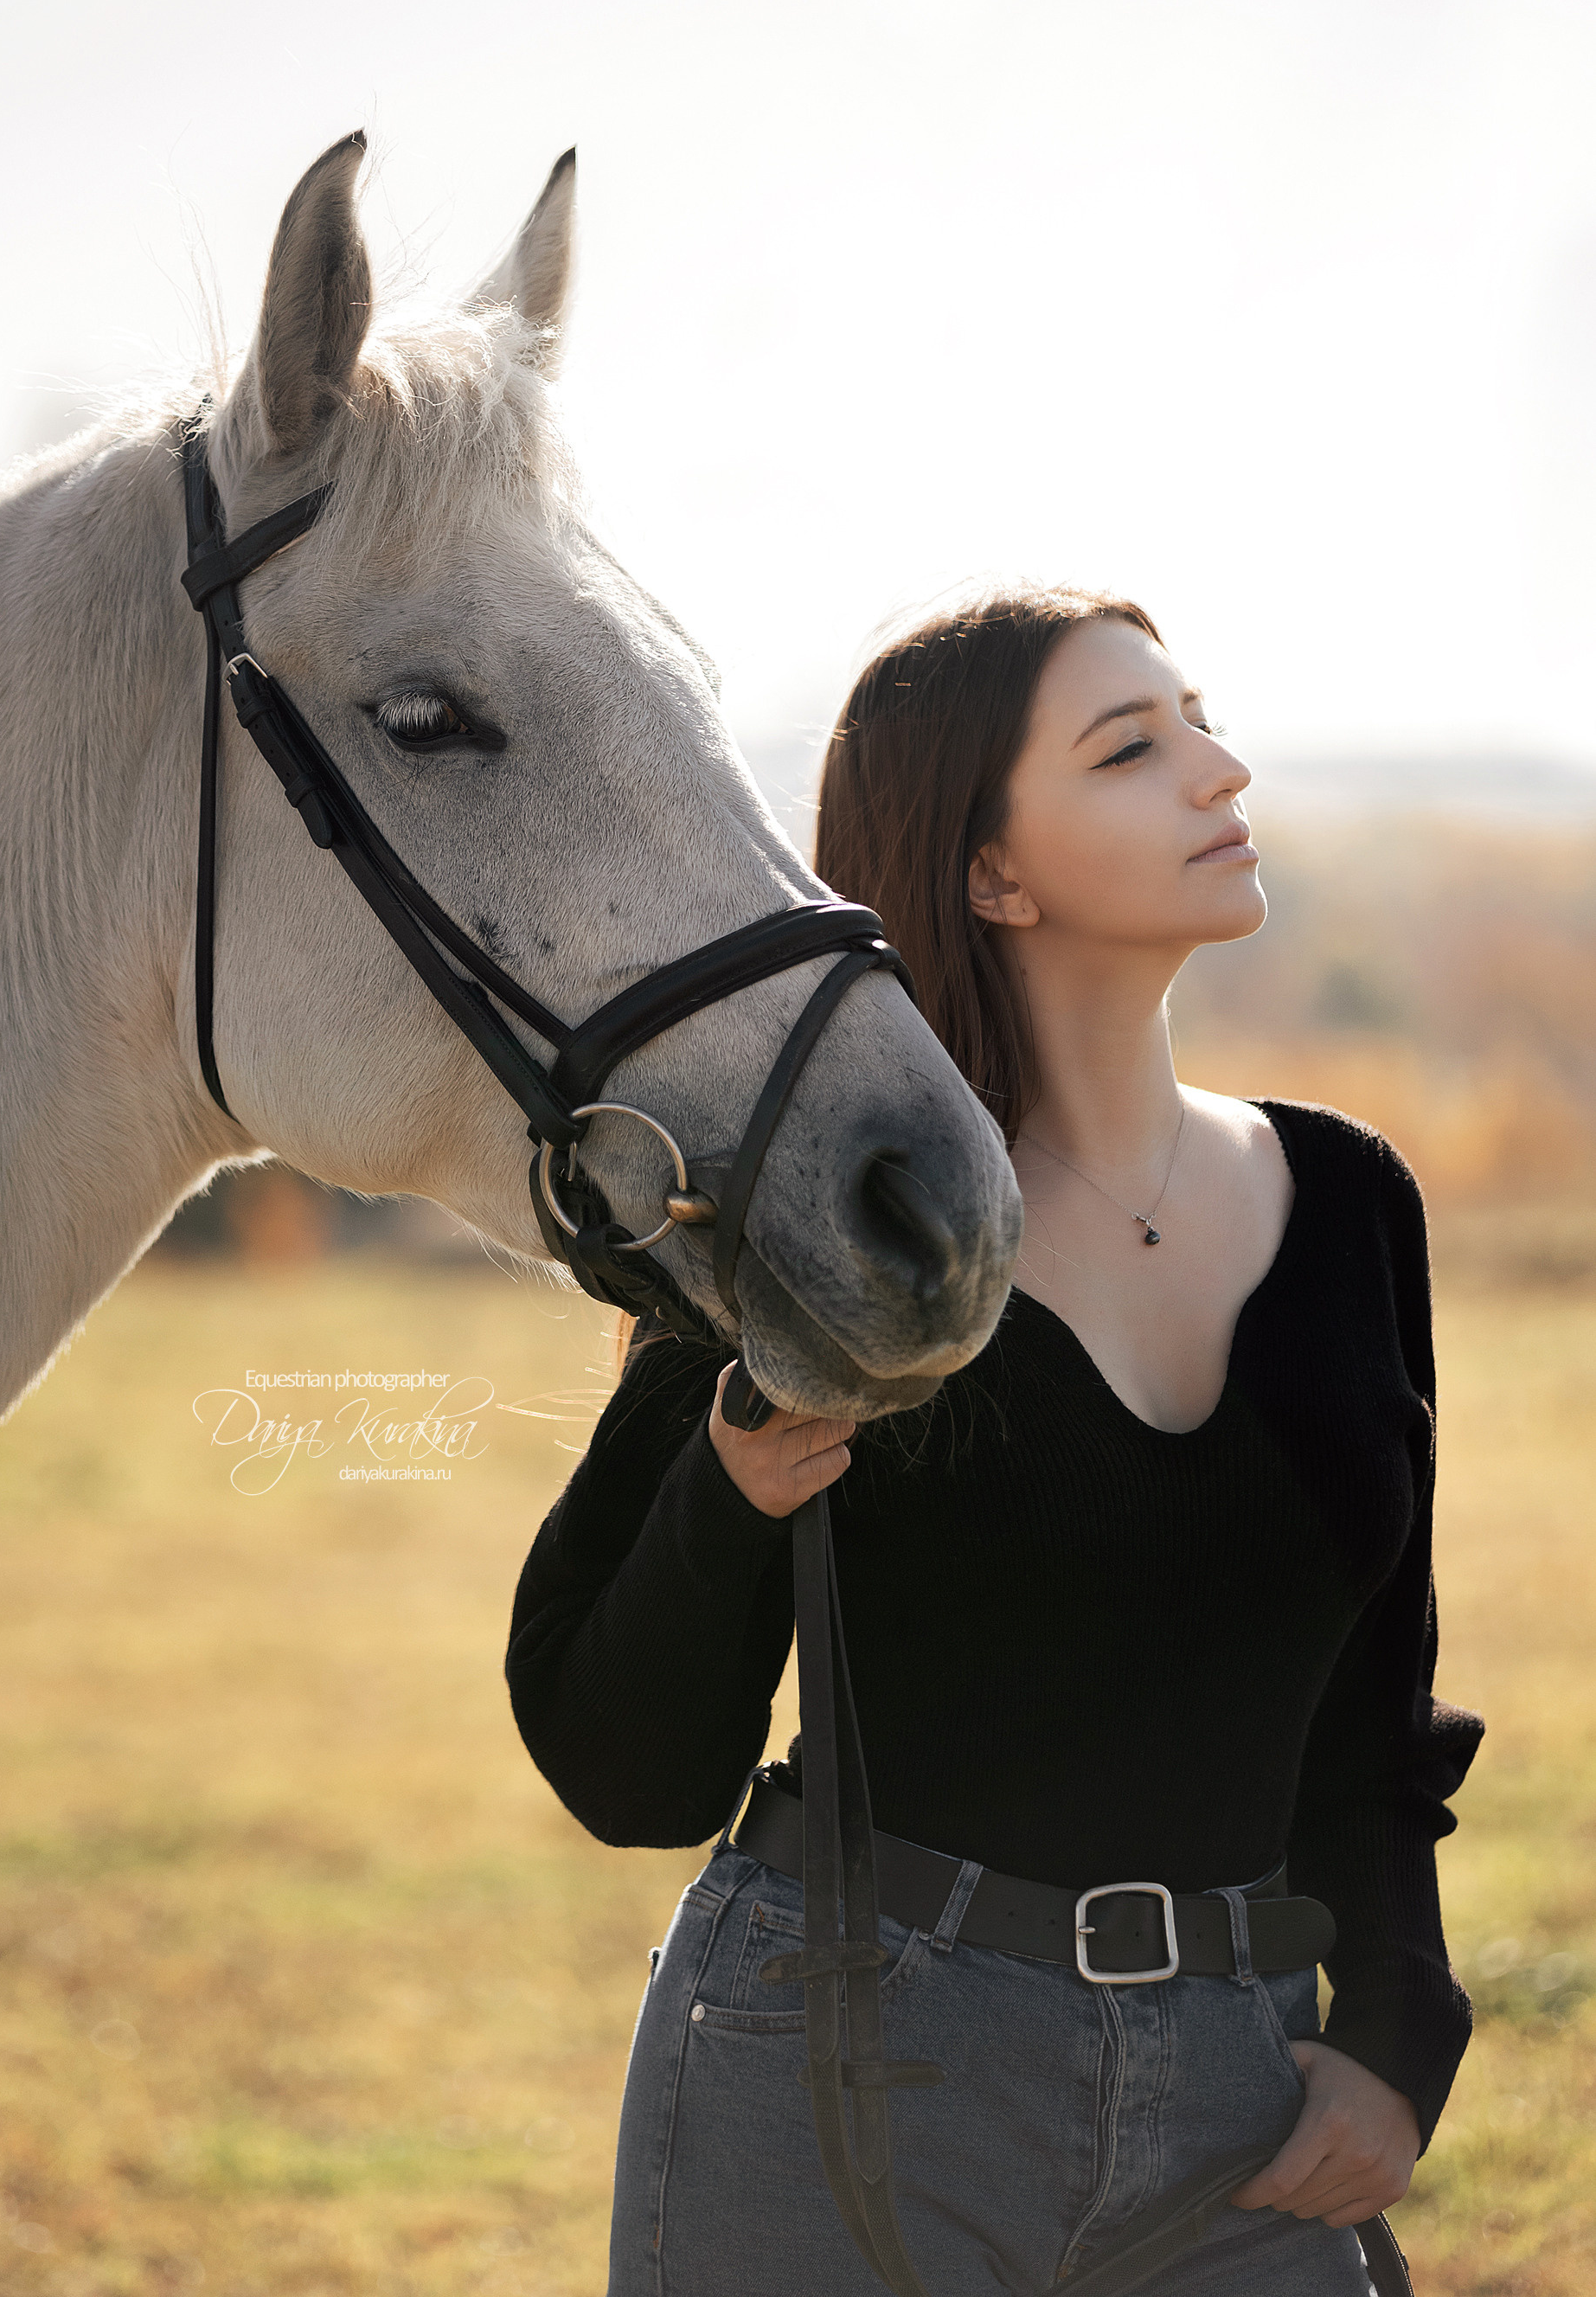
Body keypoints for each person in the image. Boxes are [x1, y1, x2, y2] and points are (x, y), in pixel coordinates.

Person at [505, 588, 1483, 2295]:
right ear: (990, 874)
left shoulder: (1347, 1206)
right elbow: (618, 1762)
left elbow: (1370, 1701)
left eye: (1197, 720)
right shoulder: (819, 1220)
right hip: (842, 2083)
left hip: (1247, 2119)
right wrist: (727, 1494)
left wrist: (1400, 2019)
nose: (1217, 770)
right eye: (1132, 748)